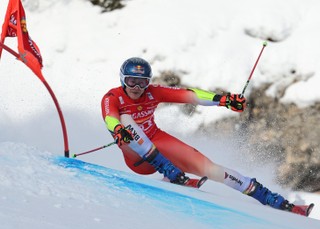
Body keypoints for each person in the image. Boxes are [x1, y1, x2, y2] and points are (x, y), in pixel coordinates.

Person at [101, 57, 309, 216]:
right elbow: (110, 118)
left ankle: (274, 200)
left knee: (211, 168)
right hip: (138, 158)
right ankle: (171, 174)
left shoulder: (153, 92)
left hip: (158, 143)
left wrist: (224, 100)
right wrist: (118, 130)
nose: (137, 88)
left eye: (142, 82)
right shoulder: (113, 97)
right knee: (126, 121)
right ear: (122, 80)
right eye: (131, 81)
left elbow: (190, 94)